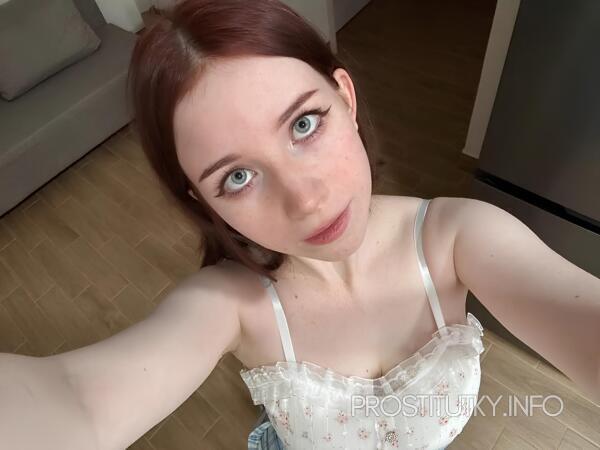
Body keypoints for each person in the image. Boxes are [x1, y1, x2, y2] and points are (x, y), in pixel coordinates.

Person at [1, 0, 599, 449]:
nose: (307, 201)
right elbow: (78, 403)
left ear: (345, 97)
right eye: (237, 177)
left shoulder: (460, 237)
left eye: (304, 124)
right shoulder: (230, 304)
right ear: (203, 201)